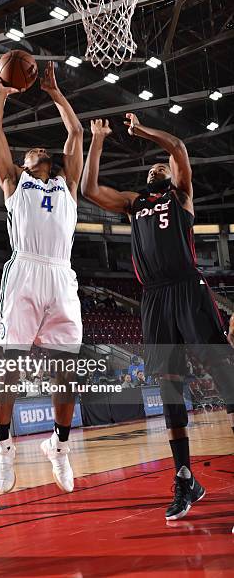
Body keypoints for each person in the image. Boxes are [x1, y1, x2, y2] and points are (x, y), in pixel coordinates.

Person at [81, 115, 234, 522]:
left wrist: (146, 132)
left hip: (188, 289)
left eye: (160, 167)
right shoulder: (134, 205)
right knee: (169, 390)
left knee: (226, 376)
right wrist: (97, 140)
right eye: (151, 167)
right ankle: (184, 478)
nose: (156, 167)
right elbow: (89, 189)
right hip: (154, 300)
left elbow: (179, 150)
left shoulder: (181, 196)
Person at [0, 61, 83, 494]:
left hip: (61, 275)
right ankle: (3, 446)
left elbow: (76, 135)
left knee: (67, 374)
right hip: (25, 270)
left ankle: (59, 448)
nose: (39, 151)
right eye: (33, 152)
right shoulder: (14, 182)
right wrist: (4, 92)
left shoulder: (68, 186)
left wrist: (56, 93)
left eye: (45, 151)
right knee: (11, 368)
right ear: (25, 164)